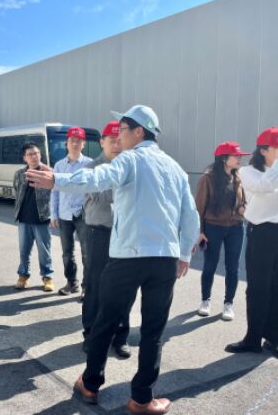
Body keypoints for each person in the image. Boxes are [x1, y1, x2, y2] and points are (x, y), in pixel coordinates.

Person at [26, 105, 200, 414]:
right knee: (152, 331)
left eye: (122, 130)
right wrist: (184, 254)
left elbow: (97, 177)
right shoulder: (176, 168)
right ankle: (142, 399)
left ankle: (90, 384)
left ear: (139, 132)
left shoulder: (129, 160)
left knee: (105, 321)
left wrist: (57, 181)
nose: (118, 137)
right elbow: (190, 216)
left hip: (127, 257)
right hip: (164, 259)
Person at [226, 127, 278, 361]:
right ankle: (252, 339)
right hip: (262, 232)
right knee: (258, 287)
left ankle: (274, 340)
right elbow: (264, 187)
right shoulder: (248, 172)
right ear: (263, 150)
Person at [82, 120, 131, 359]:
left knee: (124, 287)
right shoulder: (92, 168)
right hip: (99, 233)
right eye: (112, 140)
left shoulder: (130, 165)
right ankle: (91, 333)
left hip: (125, 234)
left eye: (120, 140)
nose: (117, 145)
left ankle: (120, 336)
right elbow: (102, 198)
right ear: (102, 142)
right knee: (95, 286)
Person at [195, 141, 250, 321]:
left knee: (233, 267)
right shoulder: (207, 179)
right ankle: (205, 301)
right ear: (224, 158)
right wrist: (200, 231)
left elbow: (243, 202)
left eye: (240, 156)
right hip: (213, 227)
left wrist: (243, 208)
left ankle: (228, 304)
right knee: (210, 265)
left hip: (236, 228)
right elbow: (199, 208)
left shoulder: (238, 178)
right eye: (236, 156)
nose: (239, 158)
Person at [50, 126, 92, 297]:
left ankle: (87, 287)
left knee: (87, 253)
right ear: (66, 143)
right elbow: (54, 191)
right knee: (67, 253)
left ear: (83, 144)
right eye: (72, 141)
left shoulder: (90, 164)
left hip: (83, 215)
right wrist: (53, 214)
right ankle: (71, 283)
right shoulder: (59, 165)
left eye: (78, 141)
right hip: (64, 214)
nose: (75, 144)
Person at [13, 142, 54, 292]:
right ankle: (23, 276)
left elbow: (55, 193)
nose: (33, 156)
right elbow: (16, 191)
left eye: (36, 153)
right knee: (24, 251)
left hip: (42, 218)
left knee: (44, 251)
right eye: (30, 154)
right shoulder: (19, 174)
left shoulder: (48, 172)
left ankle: (47, 277)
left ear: (40, 155)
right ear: (25, 158)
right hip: (24, 219)